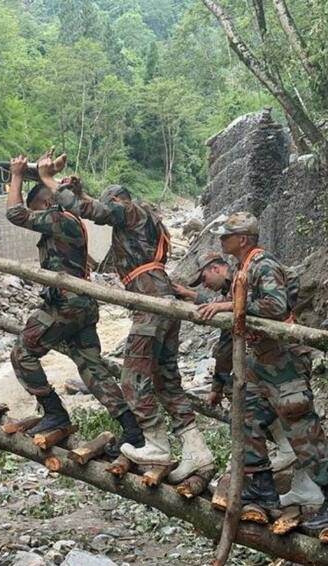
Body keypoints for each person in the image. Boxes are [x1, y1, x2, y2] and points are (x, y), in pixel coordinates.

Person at [198, 212, 328, 528]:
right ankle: (263, 489)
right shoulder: (244, 267)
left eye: (227, 236)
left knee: (301, 428)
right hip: (261, 361)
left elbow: (274, 307)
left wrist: (230, 306)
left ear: (243, 239)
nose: (222, 240)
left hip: (284, 362)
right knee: (246, 419)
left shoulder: (263, 264)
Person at [56, 180, 213, 482]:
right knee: (166, 380)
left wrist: (55, 186)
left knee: (133, 378)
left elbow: (94, 211)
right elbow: (96, 205)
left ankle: (155, 444)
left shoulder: (130, 210)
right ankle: (197, 450)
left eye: (111, 204)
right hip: (164, 301)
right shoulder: (150, 217)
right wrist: (81, 192)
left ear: (117, 199)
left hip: (150, 303)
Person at [5, 153, 142, 449]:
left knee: (22, 352)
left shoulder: (57, 218)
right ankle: (133, 430)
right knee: (93, 370)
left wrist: (16, 175)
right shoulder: (72, 221)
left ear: (44, 204)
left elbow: (15, 214)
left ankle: (54, 413)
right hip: (83, 307)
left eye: (36, 210)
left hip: (65, 305)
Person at [178, 252, 325, 506]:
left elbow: (252, 311)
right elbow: (227, 306)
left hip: (283, 358)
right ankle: (272, 485)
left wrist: (217, 384)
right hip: (267, 360)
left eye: (204, 278)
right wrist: (198, 298)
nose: (204, 285)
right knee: (257, 415)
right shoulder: (236, 285)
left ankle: (327, 493)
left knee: (295, 419)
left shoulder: (250, 275)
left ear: (216, 268)